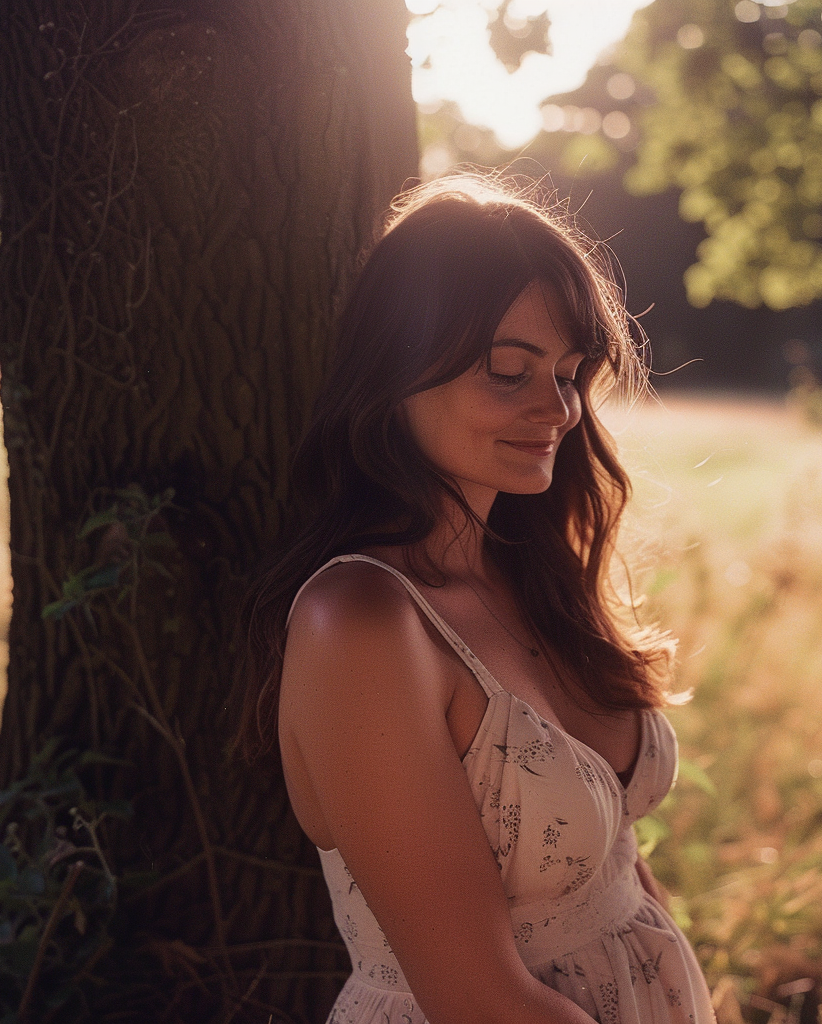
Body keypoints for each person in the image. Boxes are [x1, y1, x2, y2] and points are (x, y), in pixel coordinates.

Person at [246, 171, 714, 1024]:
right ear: (394, 371)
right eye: (508, 370)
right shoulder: (359, 622)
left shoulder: (535, 578)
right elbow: (478, 1000)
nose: (558, 408)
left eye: (571, 372)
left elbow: (616, 867)